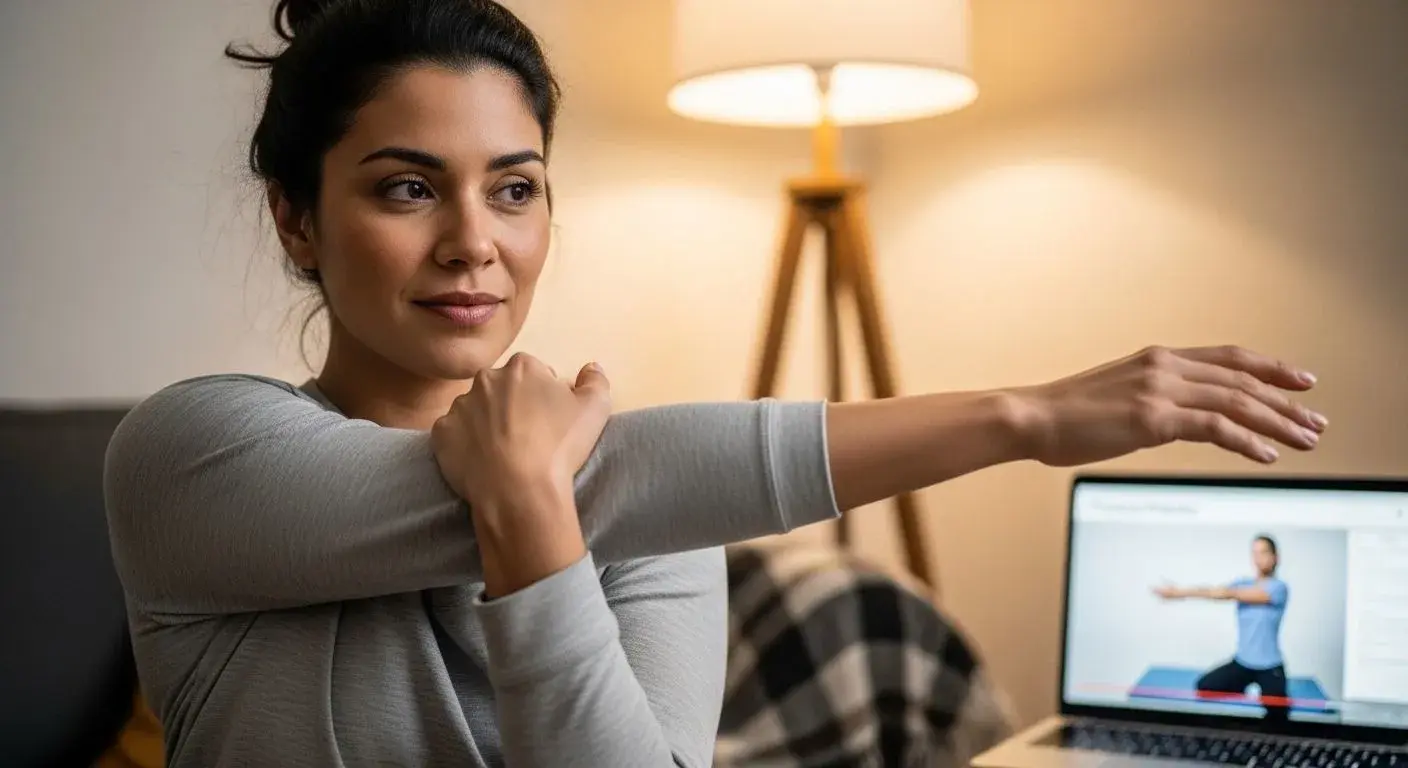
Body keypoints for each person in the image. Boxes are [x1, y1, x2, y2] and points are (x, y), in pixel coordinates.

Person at [100, 0, 1330, 765]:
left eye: (515, 186)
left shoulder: (661, 519)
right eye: (408, 186)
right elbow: (626, 476)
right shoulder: (194, 454)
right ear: (298, 220)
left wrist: (534, 507)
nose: (476, 239)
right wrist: (1022, 416)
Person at [1154, 535, 1291, 721]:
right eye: (1255, 553)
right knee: (1204, 687)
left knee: (1278, 715)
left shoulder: (1279, 588)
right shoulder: (1243, 583)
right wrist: (1179, 593)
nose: (1259, 558)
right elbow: (1214, 591)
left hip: (1270, 666)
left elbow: (1229, 593)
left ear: (1275, 557)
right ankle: (1245, 689)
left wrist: (1183, 592)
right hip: (1243, 662)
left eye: (1264, 552)